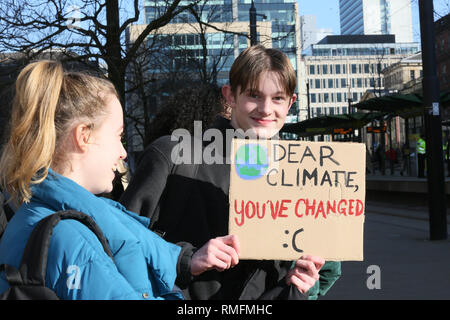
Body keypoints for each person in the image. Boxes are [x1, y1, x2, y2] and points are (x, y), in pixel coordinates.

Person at [0, 60, 238, 300]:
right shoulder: (73, 238)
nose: (122, 152)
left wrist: (184, 260)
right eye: (118, 136)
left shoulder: (39, 212)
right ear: (84, 136)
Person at [120, 45, 341, 300]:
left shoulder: (303, 175)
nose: (266, 109)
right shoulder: (172, 155)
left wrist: (300, 285)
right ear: (230, 96)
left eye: (278, 98)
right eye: (254, 95)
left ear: (291, 102)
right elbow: (119, 243)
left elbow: (325, 269)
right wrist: (186, 259)